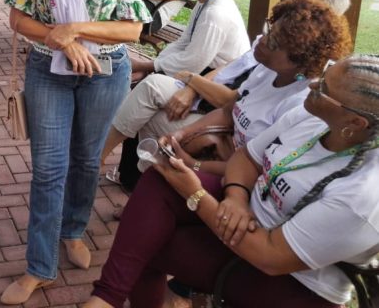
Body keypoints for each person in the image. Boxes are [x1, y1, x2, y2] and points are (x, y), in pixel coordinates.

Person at [84, 54, 379, 308]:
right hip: (246, 218)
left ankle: (108, 296)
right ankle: (106, 297)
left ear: (355, 123)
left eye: (324, 88)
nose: (313, 85)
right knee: (160, 181)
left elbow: (271, 256)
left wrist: (198, 195)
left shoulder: (363, 195)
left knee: (147, 245)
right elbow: (246, 159)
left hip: (291, 280)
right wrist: (235, 198)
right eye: (323, 75)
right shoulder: (312, 118)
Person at [0, 0, 151, 305]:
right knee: (49, 169)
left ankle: (73, 230)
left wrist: (73, 28)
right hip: (49, 71)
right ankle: (39, 267)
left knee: (87, 162)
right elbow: (16, 17)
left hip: (105, 74)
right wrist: (55, 38)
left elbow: (132, 30)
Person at [99, 0, 250, 171]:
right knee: (146, 92)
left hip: (216, 90)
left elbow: (194, 61)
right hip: (199, 77)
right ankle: (129, 173)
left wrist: (149, 66)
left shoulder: (216, 14)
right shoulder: (204, 2)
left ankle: (102, 156)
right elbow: (183, 44)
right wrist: (152, 65)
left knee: (149, 87)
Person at [164, 0, 351, 176]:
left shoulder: (299, 104)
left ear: (300, 62)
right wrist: (180, 134)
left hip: (237, 178)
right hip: (218, 150)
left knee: (163, 173)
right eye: (270, 31)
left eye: (273, 42)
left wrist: (194, 165)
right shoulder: (267, 70)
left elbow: (255, 167)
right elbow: (229, 111)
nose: (262, 40)